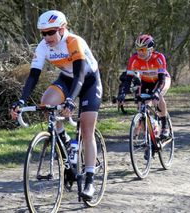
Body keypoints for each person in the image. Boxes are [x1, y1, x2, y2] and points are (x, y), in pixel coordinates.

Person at [10, 10, 103, 200]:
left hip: (88, 81)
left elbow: (80, 75)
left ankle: (90, 181)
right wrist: (21, 101)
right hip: (67, 80)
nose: (46, 37)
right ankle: (65, 140)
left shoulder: (74, 42)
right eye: (43, 33)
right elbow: (33, 76)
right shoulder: (43, 46)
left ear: (62, 29)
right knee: (46, 104)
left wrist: (70, 100)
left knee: (87, 129)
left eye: (50, 32)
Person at [118, 34, 171, 139]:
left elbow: (162, 80)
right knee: (140, 104)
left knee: (158, 96)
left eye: (143, 49)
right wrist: (122, 93)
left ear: (150, 49)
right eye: (138, 49)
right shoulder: (134, 59)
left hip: (161, 80)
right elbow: (128, 79)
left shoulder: (159, 58)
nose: (140, 52)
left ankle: (165, 126)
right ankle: (151, 126)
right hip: (146, 82)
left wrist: (156, 92)